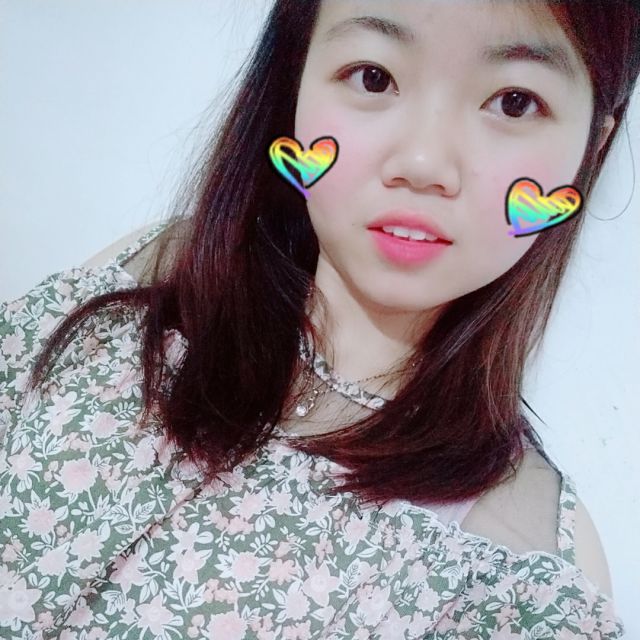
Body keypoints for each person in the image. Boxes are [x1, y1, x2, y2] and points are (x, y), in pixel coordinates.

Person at [0, 0, 636, 637]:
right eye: (373, 77)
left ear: (592, 145)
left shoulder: (525, 572)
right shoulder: (146, 278)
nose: (423, 164)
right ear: (297, 76)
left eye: (515, 103)